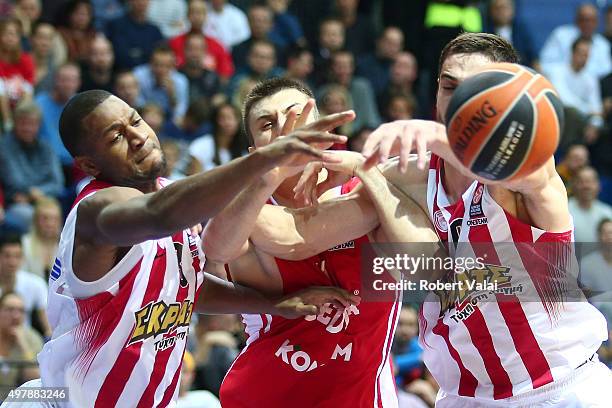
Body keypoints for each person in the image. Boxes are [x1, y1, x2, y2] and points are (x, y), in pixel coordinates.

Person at [247, 33, 612, 405]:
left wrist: (437, 136)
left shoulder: (527, 166)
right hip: (466, 396)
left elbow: (517, 170)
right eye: (448, 86)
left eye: (475, 90)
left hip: (560, 387)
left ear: (506, 97)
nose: (458, 101)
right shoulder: (406, 175)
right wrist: (247, 179)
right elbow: (295, 237)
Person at [20, 89, 356, 408]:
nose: (137, 137)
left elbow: (183, 289)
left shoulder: (173, 199)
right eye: (116, 137)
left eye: (135, 121)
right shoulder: (97, 210)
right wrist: (265, 160)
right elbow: (158, 213)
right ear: (91, 165)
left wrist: (271, 304)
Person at [202, 77, 437, 407]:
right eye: (269, 124)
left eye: (295, 115)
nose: (287, 129)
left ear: (324, 131)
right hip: (266, 394)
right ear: (255, 152)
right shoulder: (246, 210)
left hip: (362, 397)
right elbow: (217, 250)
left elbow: (426, 267)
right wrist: (269, 173)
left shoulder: (368, 193)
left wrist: (362, 167)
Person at [0, 235, 50, 337]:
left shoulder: (36, 283)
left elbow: (48, 327)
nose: (12, 262)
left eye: (17, 256)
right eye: (7, 256)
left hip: (26, 340)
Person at [0, 292, 43, 393]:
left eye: (21, 311)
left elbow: (36, 381)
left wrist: (23, 345)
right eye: (10, 309)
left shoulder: (32, 338)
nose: (16, 315)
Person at [569, 166, 612, 243]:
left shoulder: (608, 213)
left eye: (590, 182)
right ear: (574, 185)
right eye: (581, 181)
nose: (586, 186)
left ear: (599, 186)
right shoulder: (564, 211)